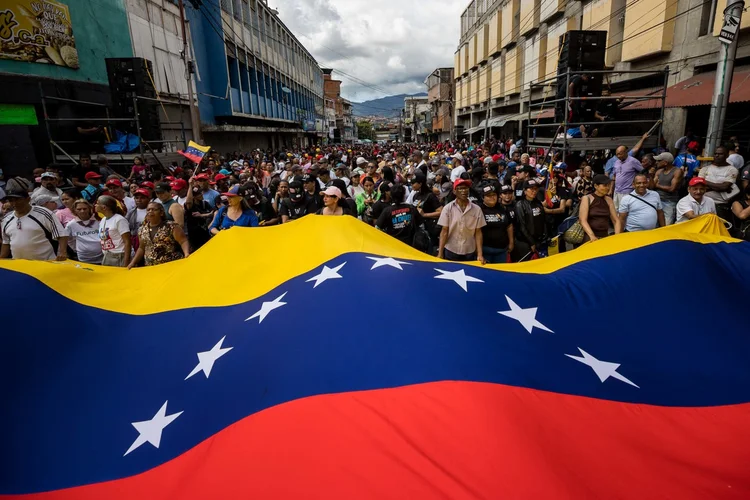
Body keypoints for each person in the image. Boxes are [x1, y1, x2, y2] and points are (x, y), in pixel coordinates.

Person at [1, 178, 68, 261]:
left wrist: (62, 252)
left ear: (28, 199)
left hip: (45, 263)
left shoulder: (43, 213)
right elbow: (6, 242)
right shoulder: (6, 219)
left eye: (18, 200)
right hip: (19, 266)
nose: (14, 203)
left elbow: (61, 234)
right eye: (11, 200)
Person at [437, 179, 486, 263]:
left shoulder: (477, 209)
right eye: (460, 188)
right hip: (451, 250)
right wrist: (440, 253)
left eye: (466, 188)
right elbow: (444, 231)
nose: (464, 191)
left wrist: (480, 254)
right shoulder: (448, 208)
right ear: (454, 191)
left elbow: (478, 232)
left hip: (469, 251)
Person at [129, 202, 190, 268]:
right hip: (151, 268)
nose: (150, 211)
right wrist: (133, 263)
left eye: (154, 209)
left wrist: (186, 254)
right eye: (148, 210)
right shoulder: (142, 229)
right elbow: (141, 248)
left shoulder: (171, 226)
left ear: (161, 213)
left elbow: (183, 241)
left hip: (171, 265)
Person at [579, 174, 621, 242]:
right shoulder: (587, 198)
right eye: (605, 185)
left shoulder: (609, 200)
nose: (607, 188)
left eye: (609, 185)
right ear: (596, 186)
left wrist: (617, 236)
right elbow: (582, 220)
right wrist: (592, 236)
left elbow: (616, 220)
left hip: (605, 237)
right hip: (589, 237)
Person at [612, 133, 649, 210]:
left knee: (626, 211)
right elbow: (615, 176)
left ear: (626, 152)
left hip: (627, 192)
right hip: (617, 191)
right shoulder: (616, 162)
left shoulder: (633, 161)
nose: (618, 156)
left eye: (620, 154)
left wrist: (639, 185)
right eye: (617, 154)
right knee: (616, 210)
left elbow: (643, 172)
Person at [479, 183, 513, 263]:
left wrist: (511, 242)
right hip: (485, 249)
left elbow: (509, 225)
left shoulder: (503, 208)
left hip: (502, 249)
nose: (492, 197)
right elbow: (477, 231)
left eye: (494, 195)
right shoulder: (479, 209)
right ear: (483, 197)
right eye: (488, 195)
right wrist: (479, 251)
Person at [699, 146, 739, 215]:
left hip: (720, 205)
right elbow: (699, 186)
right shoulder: (705, 169)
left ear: (727, 155)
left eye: (720, 154)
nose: (717, 155)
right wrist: (719, 187)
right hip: (703, 203)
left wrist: (705, 182)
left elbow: (724, 187)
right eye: (715, 153)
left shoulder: (732, 170)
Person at [514, 180, 548, 258]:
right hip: (526, 242)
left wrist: (545, 236)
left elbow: (543, 220)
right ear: (525, 191)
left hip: (540, 240)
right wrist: (531, 242)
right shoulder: (520, 205)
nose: (534, 191)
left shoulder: (538, 203)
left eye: (535, 189)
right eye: (531, 189)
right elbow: (522, 226)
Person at [95, 195, 131, 267]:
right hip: (107, 255)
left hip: (119, 256)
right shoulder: (103, 219)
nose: (95, 205)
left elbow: (127, 242)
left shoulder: (119, 220)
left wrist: (126, 263)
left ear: (104, 207)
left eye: (97, 203)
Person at [65, 199, 102, 264]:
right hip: (84, 258)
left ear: (89, 209)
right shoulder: (71, 224)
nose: (82, 211)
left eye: (85, 209)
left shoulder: (98, 220)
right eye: (79, 209)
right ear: (74, 210)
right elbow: (67, 239)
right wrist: (76, 248)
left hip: (102, 256)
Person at [652, 152, 683, 225]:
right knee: (654, 224)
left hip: (669, 201)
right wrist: (650, 174)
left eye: (659, 161)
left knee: (666, 225)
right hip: (657, 201)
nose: (656, 162)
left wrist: (658, 186)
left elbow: (672, 189)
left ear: (665, 162)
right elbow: (652, 185)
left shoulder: (677, 171)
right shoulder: (659, 171)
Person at [184, 181, 213, 250]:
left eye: (200, 193)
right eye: (198, 194)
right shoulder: (190, 207)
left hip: (205, 233)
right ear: (193, 196)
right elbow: (188, 202)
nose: (201, 194)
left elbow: (214, 212)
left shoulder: (205, 204)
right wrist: (190, 186)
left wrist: (202, 215)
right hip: (194, 236)